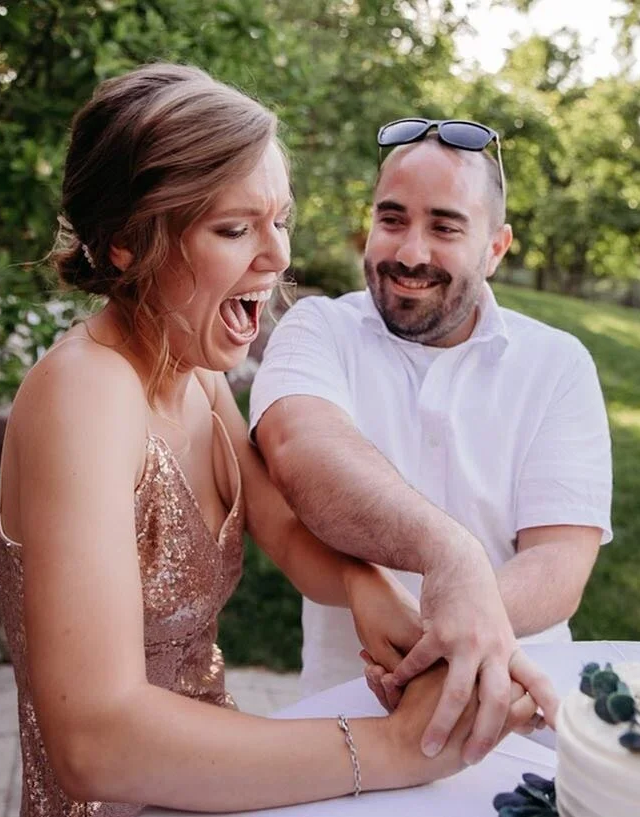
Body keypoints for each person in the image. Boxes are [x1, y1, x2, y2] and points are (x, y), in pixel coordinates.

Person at [0, 66, 537, 816]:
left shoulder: (197, 380)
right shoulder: (84, 394)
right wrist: (389, 747)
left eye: (278, 219)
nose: (277, 256)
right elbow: (93, 741)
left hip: (203, 785)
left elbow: (284, 528)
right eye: (233, 228)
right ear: (124, 242)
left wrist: (373, 594)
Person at [250, 118, 614, 761]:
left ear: (496, 248)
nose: (411, 253)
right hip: (348, 725)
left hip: (518, 720)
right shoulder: (317, 329)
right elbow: (299, 452)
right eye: (392, 220)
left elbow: (561, 563)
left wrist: (442, 633)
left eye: (445, 227)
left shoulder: (559, 364)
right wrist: (452, 554)